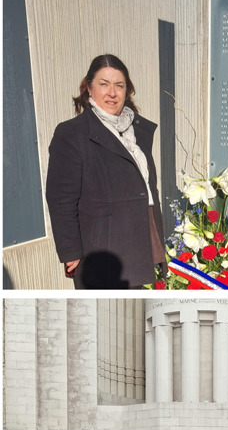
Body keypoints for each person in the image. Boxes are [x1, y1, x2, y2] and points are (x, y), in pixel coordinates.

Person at [46, 54, 165, 289]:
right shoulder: (72, 133)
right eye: (104, 84)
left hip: (139, 237)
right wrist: (70, 251)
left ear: (126, 91)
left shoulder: (136, 131)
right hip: (100, 249)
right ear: (89, 88)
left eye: (119, 85)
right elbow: (61, 198)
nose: (112, 92)